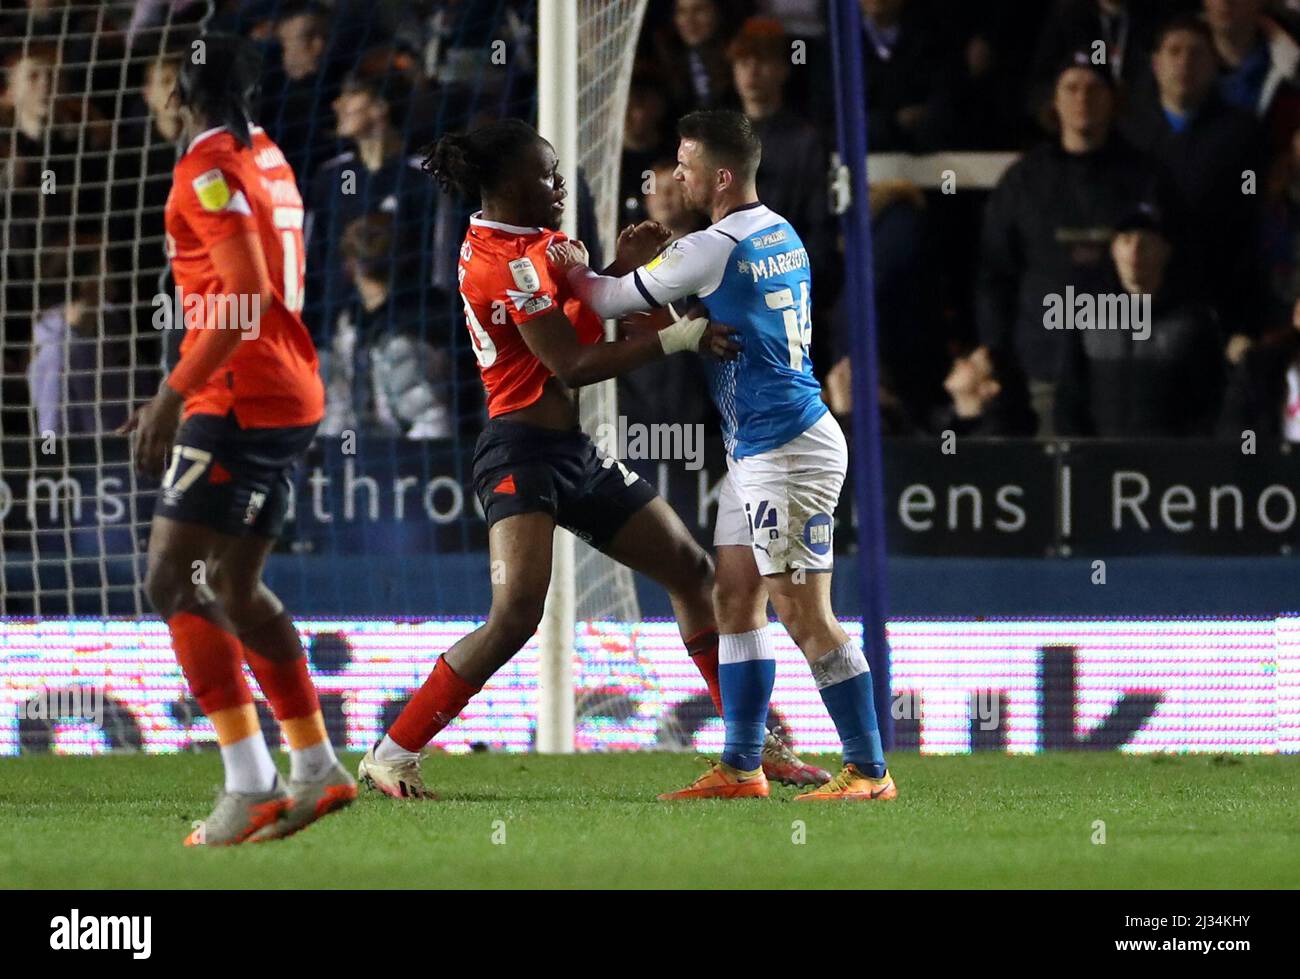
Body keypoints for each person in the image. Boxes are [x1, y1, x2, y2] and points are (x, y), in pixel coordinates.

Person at [356, 118, 828, 799]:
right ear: (508, 185)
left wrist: (611, 272)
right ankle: (392, 751)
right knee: (516, 613)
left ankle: (754, 750)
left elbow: (579, 321)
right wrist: (681, 336)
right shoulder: (504, 262)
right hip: (518, 449)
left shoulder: (540, 247)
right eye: (546, 176)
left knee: (691, 573)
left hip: (570, 450)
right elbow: (572, 363)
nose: (557, 187)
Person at [551, 110, 896, 802]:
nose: (675, 174)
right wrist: (674, 291)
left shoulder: (711, 245)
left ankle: (869, 770)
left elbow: (610, 299)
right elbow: (721, 318)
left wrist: (576, 266)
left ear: (722, 175)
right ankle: (742, 768)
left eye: (686, 163)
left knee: (803, 611)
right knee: (733, 595)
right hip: (767, 446)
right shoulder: (779, 230)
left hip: (785, 450)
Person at [118, 33, 355, 846]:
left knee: (172, 581)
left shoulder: (204, 171)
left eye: (157, 86)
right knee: (234, 584)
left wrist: (172, 395)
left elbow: (248, 293)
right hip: (287, 389)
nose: (153, 102)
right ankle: (316, 764)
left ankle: (250, 782)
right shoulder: (273, 157)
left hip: (240, 395)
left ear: (180, 94)